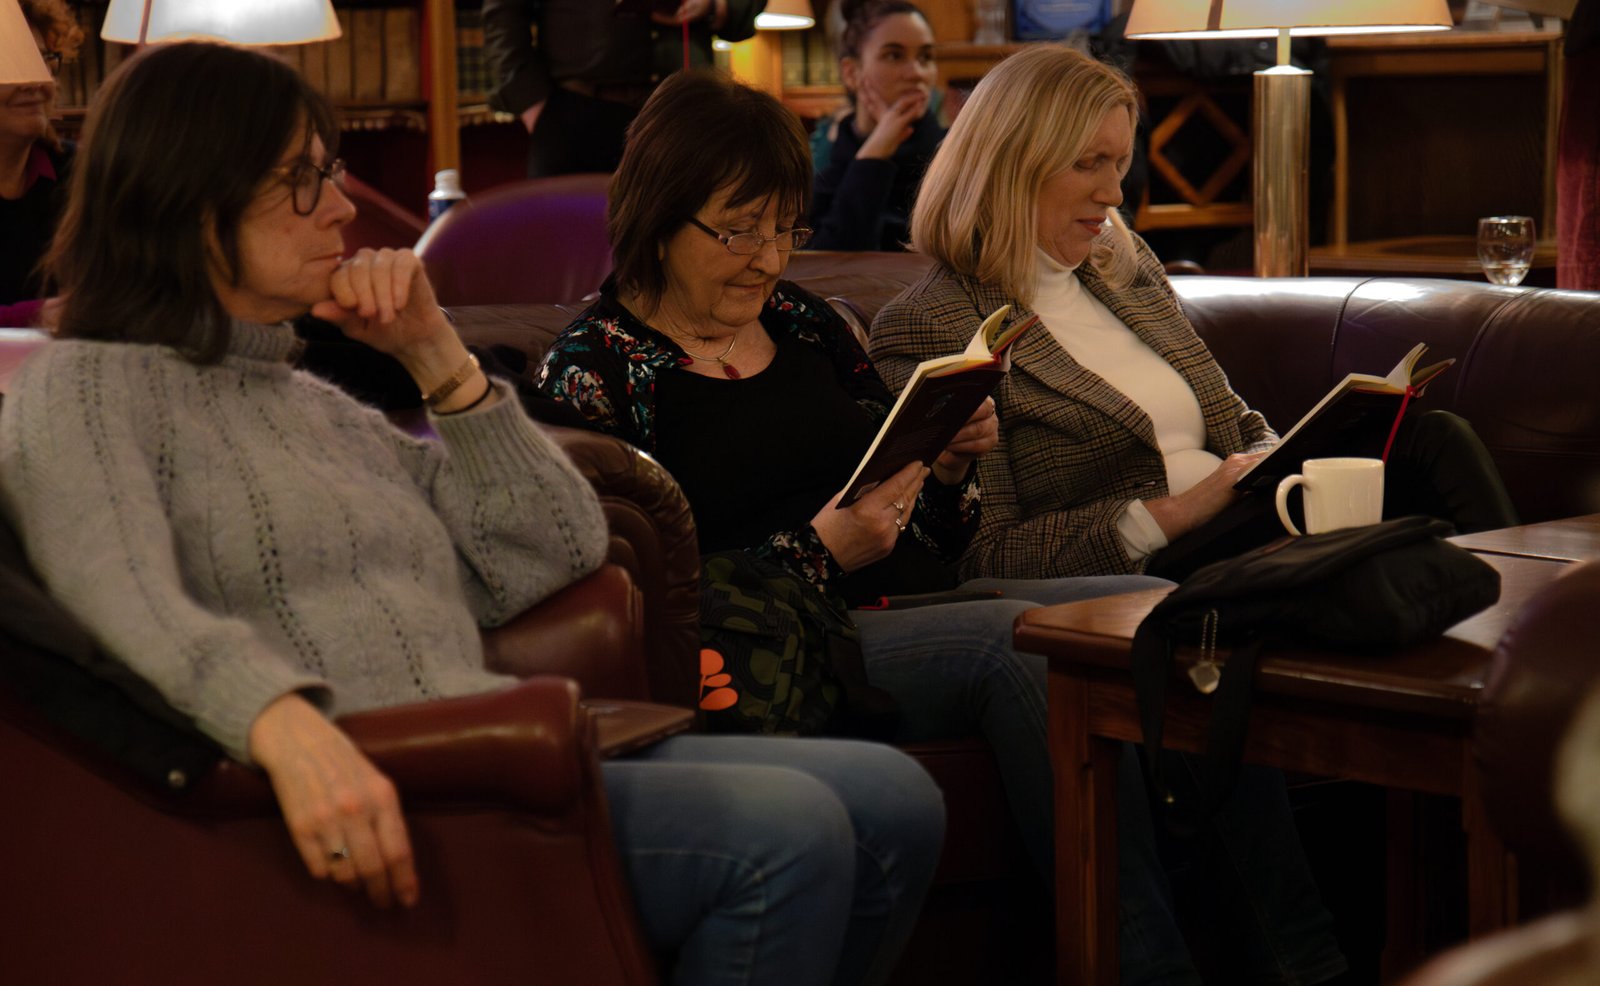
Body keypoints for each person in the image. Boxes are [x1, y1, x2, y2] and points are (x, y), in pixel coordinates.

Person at [0, 41, 945, 986]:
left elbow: (557, 551)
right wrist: (278, 724)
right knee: (793, 834)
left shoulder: (313, 401)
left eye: (331, 170)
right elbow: (116, 598)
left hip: (498, 753)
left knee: (899, 802)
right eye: (303, 180)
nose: (343, 205)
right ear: (189, 201)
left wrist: (435, 356)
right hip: (384, 781)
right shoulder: (82, 388)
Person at [535, 67, 1173, 904]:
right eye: (738, 232)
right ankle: (1142, 959)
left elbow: (934, 540)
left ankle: (1282, 949)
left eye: (784, 230)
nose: (768, 261)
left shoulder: (804, 323)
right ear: (657, 217)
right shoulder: (594, 372)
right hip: (789, 638)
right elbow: (626, 597)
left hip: (906, 596)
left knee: (1160, 612)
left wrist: (948, 467)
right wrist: (818, 552)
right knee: (1017, 644)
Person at [872, 43, 1518, 585]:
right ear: (1010, 165)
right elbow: (984, 557)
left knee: (1432, 439)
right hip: (1163, 561)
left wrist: (1288, 456)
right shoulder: (932, 324)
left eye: (1120, 163)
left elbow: (1237, 423)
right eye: (1088, 163)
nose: (1113, 192)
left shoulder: (1123, 266)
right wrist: (1180, 510)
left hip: (1249, 513)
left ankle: (1527, 630)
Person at [483, 0, 762, 178]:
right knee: (568, 247)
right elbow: (502, 14)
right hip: (574, 116)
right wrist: (533, 106)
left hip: (687, 114)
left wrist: (715, 5)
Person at [808, 0, 943, 251]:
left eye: (925, 57)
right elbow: (823, 262)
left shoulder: (956, 157)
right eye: (894, 55)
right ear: (851, 73)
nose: (916, 73)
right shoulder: (826, 161)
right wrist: (875, 154)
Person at [0, 0, 81, 327]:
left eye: (41, 60)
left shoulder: (81, 172)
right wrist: (36, 315)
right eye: (10, 64)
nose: (34, 82)